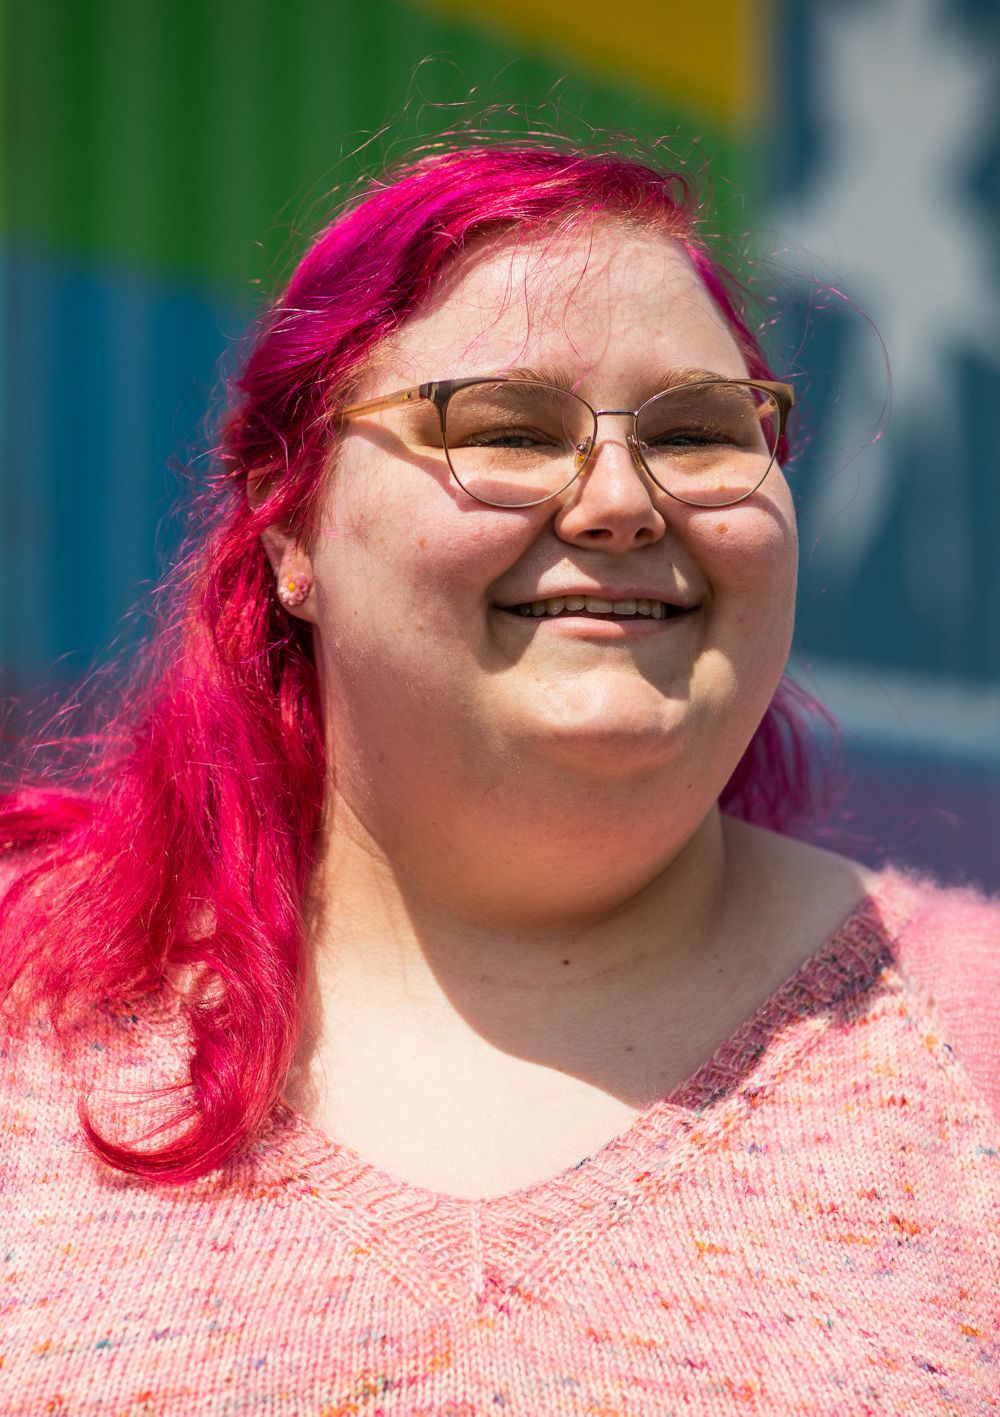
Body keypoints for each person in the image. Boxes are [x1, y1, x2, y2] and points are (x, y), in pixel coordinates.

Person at [1, 141, 997, 1415]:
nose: (621, 502)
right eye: (509, 429)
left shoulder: (974, 1040)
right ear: (289, 528)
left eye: (698, 431)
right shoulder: (30, 1010)